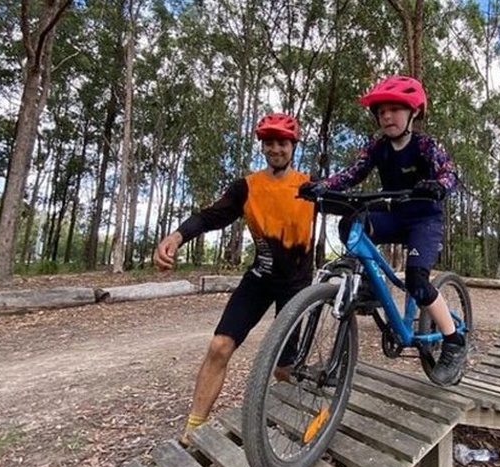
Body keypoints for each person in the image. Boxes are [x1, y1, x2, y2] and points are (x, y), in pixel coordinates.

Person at [154, 113, 315, 445]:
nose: (275, 149)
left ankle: (287, 428)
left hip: (297, 285)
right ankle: (194, 428)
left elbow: (347, 207)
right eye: (269, 143)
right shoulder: (247, 187)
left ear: (293, 146)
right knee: (219, 346)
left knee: (285, 367)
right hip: (260, 278)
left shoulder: (309, 185)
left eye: (282, 142)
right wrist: (177, 236)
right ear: (262, 146)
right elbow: (212, 215)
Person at [299, 75, 467, 386]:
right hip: (393, 213)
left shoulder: (425, 145)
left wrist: (439, 186)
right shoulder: (377, 147)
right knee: (352, 222)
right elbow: (352, 174)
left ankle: (454, 342)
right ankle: (365, 285)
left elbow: (449, 171)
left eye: (394, 109)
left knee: (417, 281)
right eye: (381, 111)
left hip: (423, 220)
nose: (387, 116)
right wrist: (320, 187)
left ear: (412, 112)